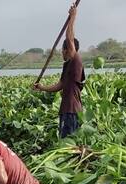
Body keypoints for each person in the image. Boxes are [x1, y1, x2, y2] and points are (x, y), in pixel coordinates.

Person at [33, 4, 85, 138]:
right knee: (68, 142)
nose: (61, 52)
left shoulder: (75, 61)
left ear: (67, 50)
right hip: (67, 111)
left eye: (63, 49)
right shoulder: (67, 65)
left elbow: (69, 39)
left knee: (68, 143)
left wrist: (72, 17)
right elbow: (59, 85)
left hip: (71, 111)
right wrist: (42, 87)